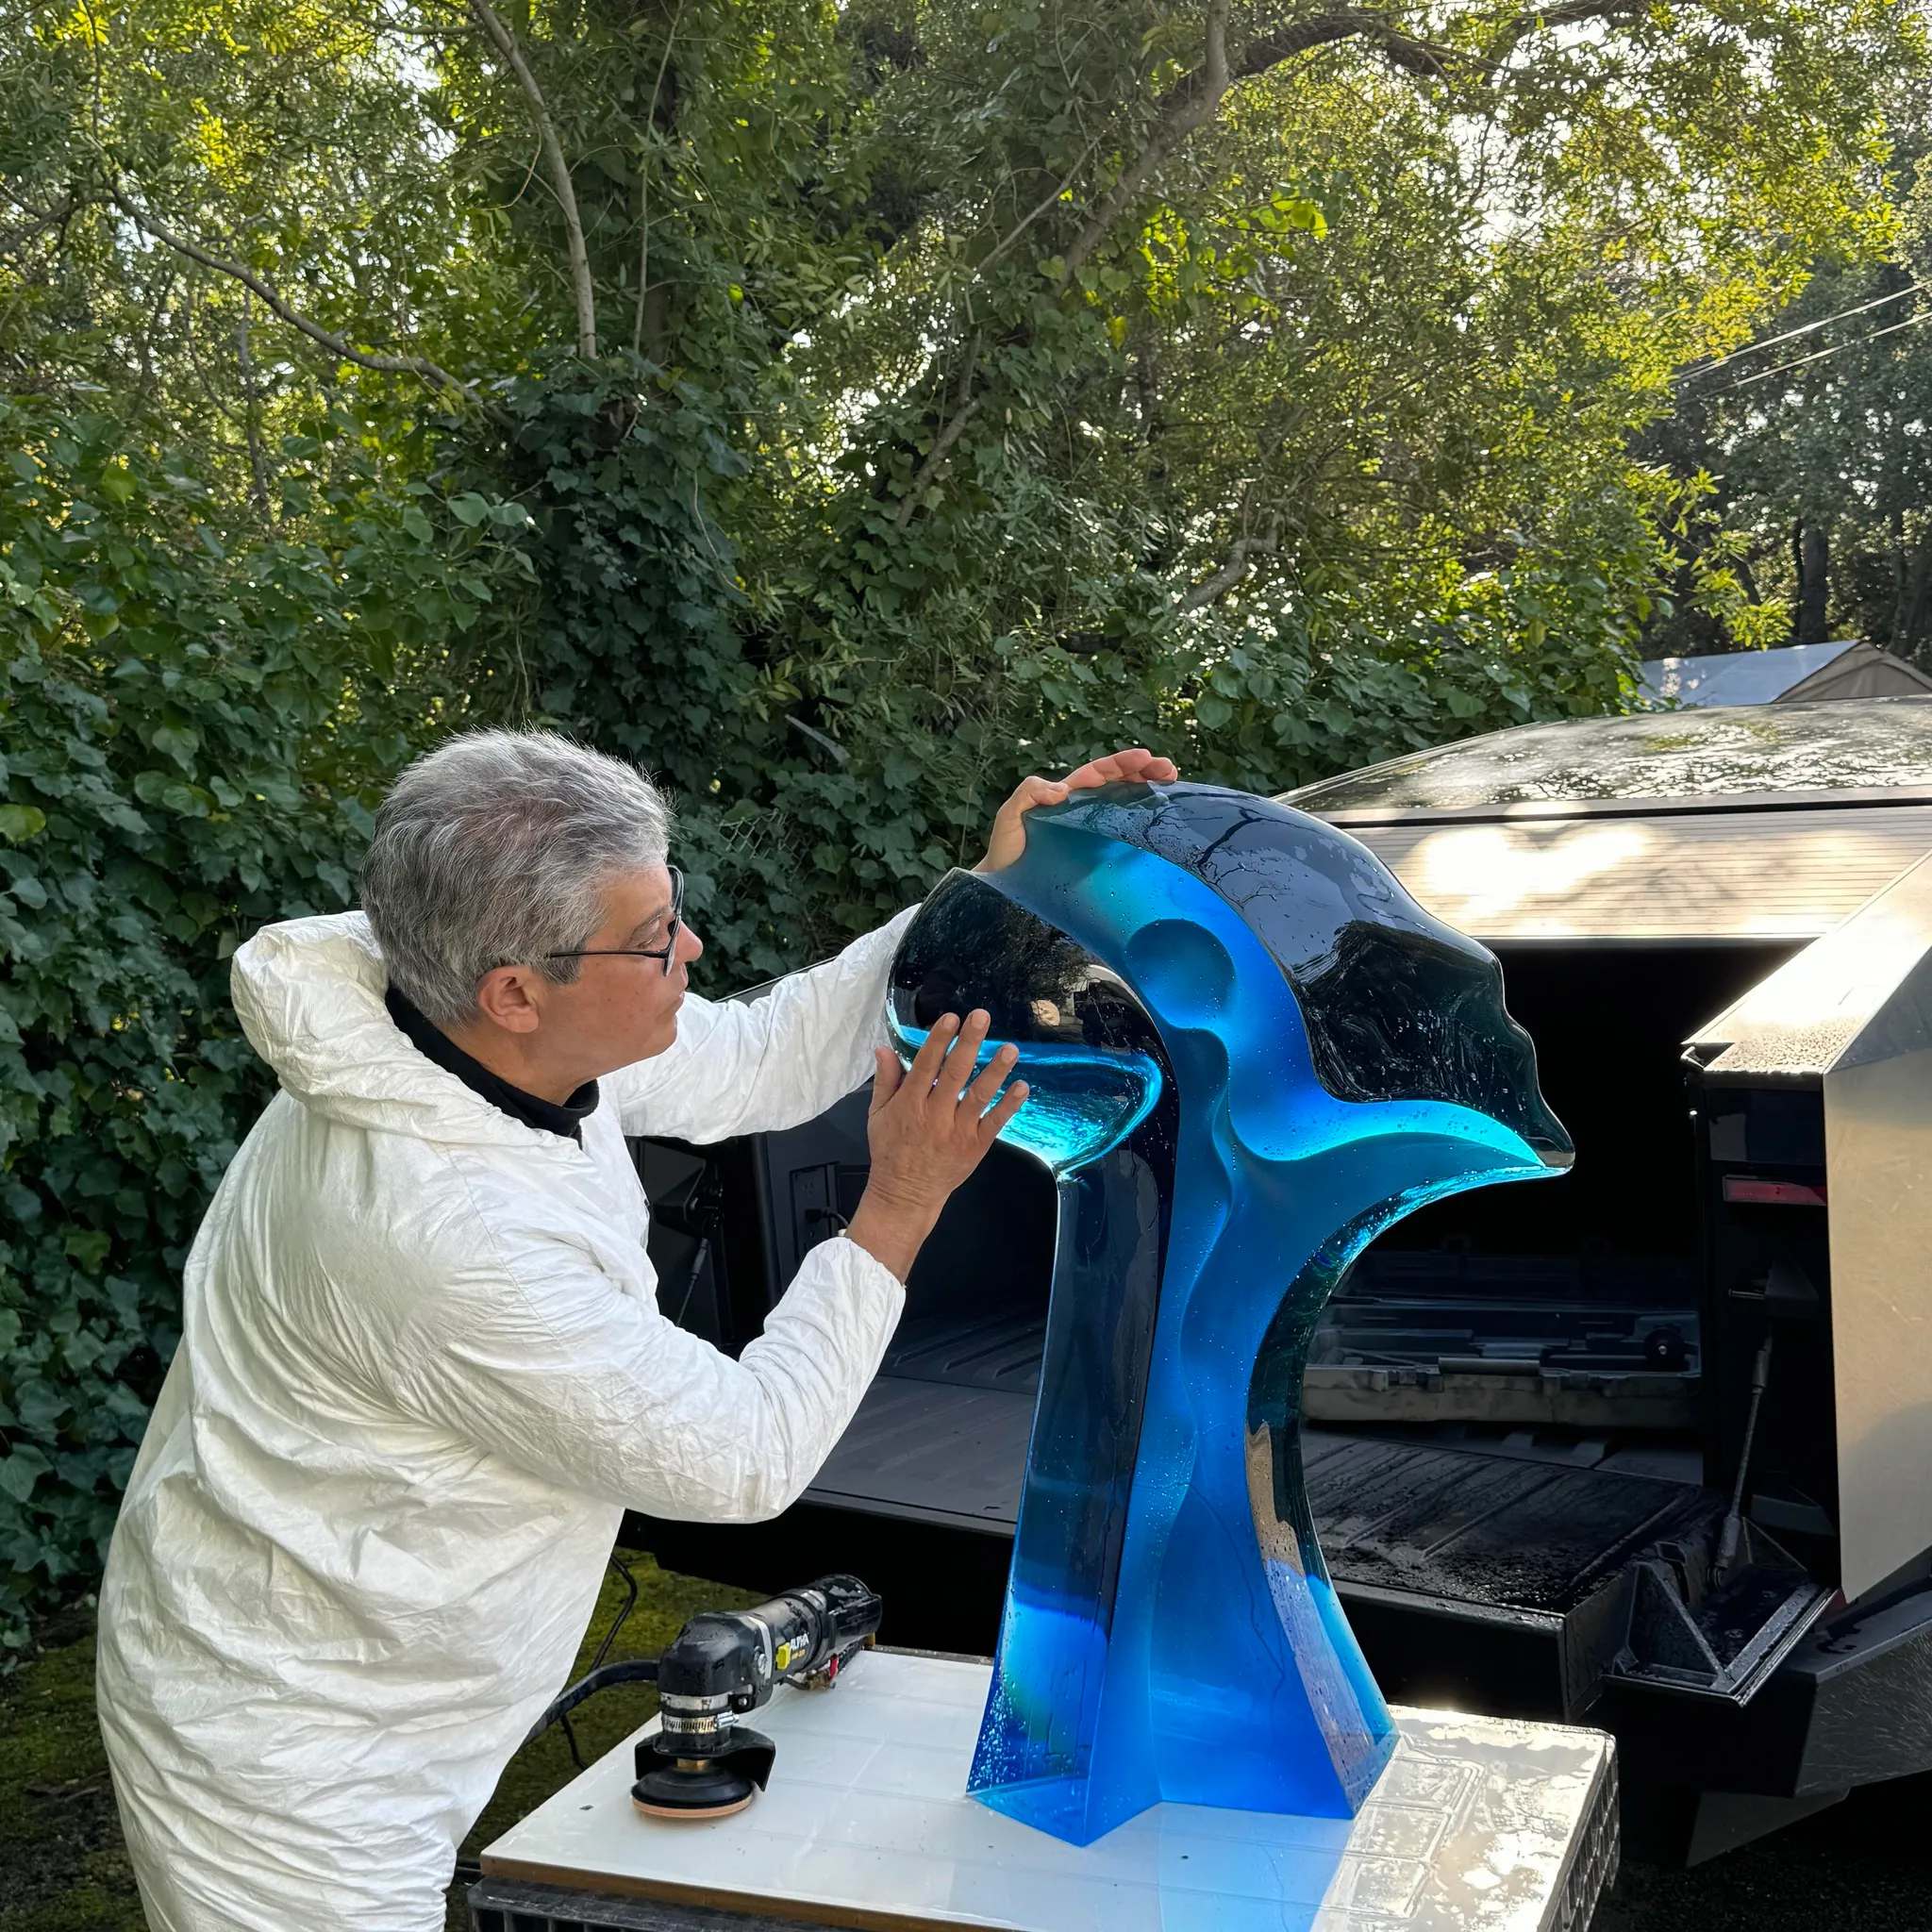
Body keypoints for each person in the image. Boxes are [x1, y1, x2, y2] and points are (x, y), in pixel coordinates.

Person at [94, 729, 1177, 1932]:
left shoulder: (457, 1026)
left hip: (371, 1669)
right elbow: (739, 1454)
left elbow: (762, 1055)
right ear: (514, 990)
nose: (692, 947)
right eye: (655, 934)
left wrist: (978, 891)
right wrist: (901, 1201)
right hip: (289, 1763)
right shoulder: (441, 1224)